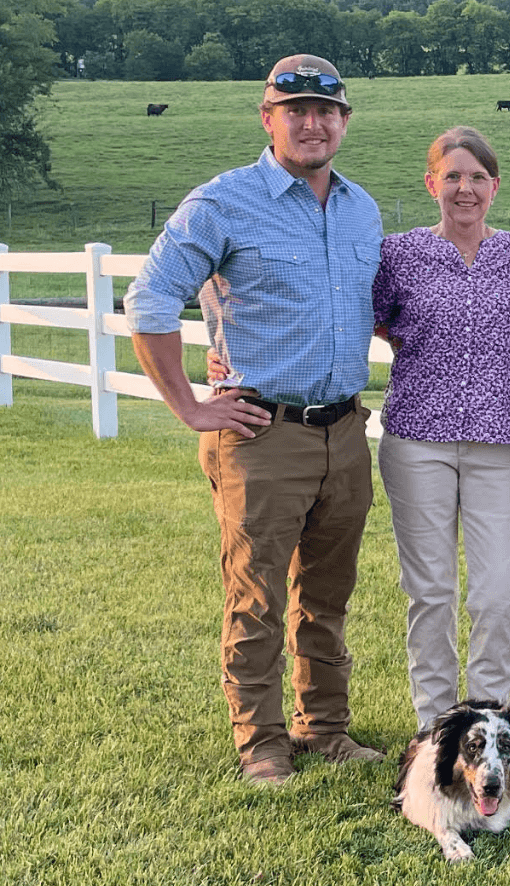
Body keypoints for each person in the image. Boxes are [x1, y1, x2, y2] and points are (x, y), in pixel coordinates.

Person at [123, 54, 385, 787]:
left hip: (344, 431)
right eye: (294, 109)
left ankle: (325, 726)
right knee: (258, 594)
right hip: (260, 434)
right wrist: (188, 405)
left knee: (328, 594)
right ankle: (261, 743)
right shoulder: (222, 203)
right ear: (267, 118)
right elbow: (148, 302)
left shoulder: (361, 208)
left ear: (344, 122)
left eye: (326, 111)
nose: (312, 122)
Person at [374, 128, 510, 731]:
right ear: (431, 184)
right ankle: (436, 724)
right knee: (431, 590)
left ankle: (489, 716)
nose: (464, 188)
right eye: (452, 176)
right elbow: (358, 318)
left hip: (498, 443)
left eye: (476, 178)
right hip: (417, 439)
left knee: (498, 591)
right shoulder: (398, 254)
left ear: (494, 187)